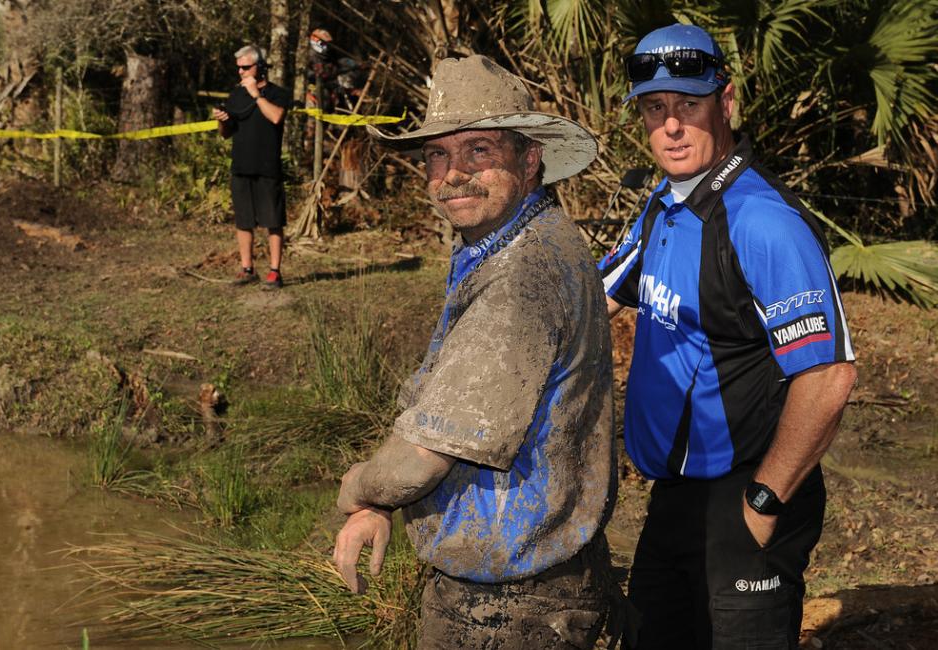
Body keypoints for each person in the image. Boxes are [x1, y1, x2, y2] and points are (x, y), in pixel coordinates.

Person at [333, 54, 620, 649]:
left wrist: (360, 489)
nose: (453, 173)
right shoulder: (516, 240)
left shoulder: (521, 275)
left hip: (511, 607)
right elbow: (438, 396)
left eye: (480, 151)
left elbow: (421, 461)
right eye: (438, 154)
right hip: (540, 581)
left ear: (530, 159)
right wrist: (383, 506)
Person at [598, 23, 858, 649]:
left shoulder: (763, 224)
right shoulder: (665, 203)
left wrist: (764, 501)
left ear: (728, 102)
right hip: (677, 495)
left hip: (750, 489)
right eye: (655, 109)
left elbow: (828, 377)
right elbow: (599, 293)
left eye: (688, 105)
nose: (672, 126)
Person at [213, 45, 290, 289]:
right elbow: (226, 134)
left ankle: (275, 272)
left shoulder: (277, 93)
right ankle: (247, 269)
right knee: (243, 221)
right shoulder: (236, 95)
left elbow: (276, 117)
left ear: (261, 67)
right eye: (238, 68)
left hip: (267, 166)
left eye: (246, 67)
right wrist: (221, 121)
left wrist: (257, 95)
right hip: (241, 166)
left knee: (273, 220)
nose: (241, 72)